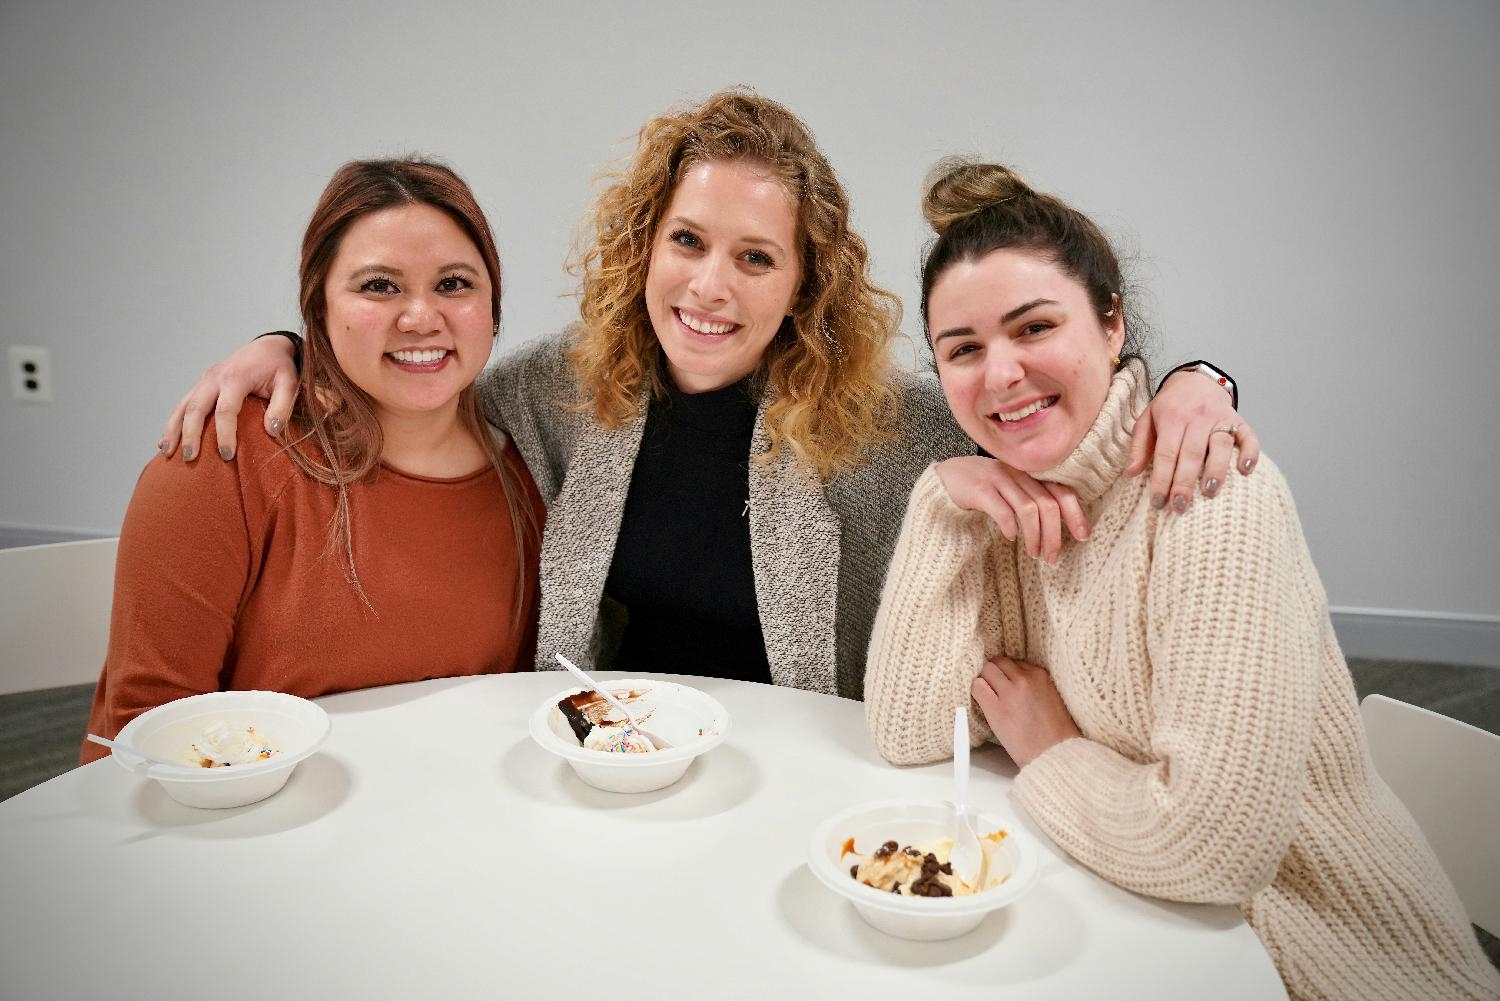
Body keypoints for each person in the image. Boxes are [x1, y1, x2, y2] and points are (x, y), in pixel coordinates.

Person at [156, 88, 1253, 700]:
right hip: (612, 756)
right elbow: (413, 380)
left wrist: (1191, 380)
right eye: (687, 240)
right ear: (646, 246)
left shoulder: (892, 422)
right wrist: (282, 345)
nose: (711, 287)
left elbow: (1057, 433)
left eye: (756, 258)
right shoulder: (560, 390)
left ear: (804, 281)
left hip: (809, 781)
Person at [863, 159, 1499, 1000]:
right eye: (964, 349)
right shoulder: (1001, 509)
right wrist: (939, 502)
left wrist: (1048, 748)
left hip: (1324, 960)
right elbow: (909, 733)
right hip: (1133, 929)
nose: (1001, 373)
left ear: (1112, 322)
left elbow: (1213, 847)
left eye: (1034, 327)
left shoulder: (1210, 493)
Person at [81, 158, 544, 763]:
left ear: (492, 304)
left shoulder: (534, 471)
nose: (422, 317)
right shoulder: (223, 459)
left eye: (454, 284)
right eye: (379, 285)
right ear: (318, 306)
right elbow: (148, 730)